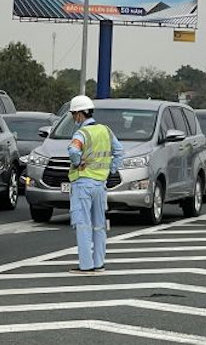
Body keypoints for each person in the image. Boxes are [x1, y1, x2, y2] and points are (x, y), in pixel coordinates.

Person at [66, 95, 124, 275]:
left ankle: (86, 265)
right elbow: (119, 151)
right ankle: (99, 262)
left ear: (79, 114)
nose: (73, 118)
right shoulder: (106, 130)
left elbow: (73, 150)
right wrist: (110, 170)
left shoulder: (81, 133)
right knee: (99, 224)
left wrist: (77, 163)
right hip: (100, 184)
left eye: (73, 114)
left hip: (83, 183)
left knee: (82, 224)